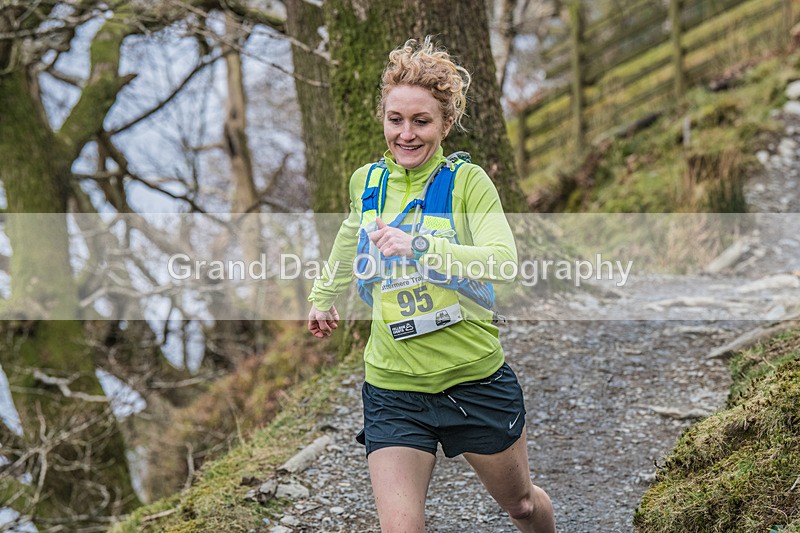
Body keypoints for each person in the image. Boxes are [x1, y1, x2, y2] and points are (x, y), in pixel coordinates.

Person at [307, 36, 556, 533]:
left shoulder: (468, 183)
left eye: (420, 121)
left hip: (473, 380)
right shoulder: (367, 182)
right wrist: (323, 295)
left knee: (522, 506)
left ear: (445, 124)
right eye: (395, 119)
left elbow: (504, 262)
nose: (406, 134)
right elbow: (351, 234)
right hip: (393, 386)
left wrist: (420, 246)